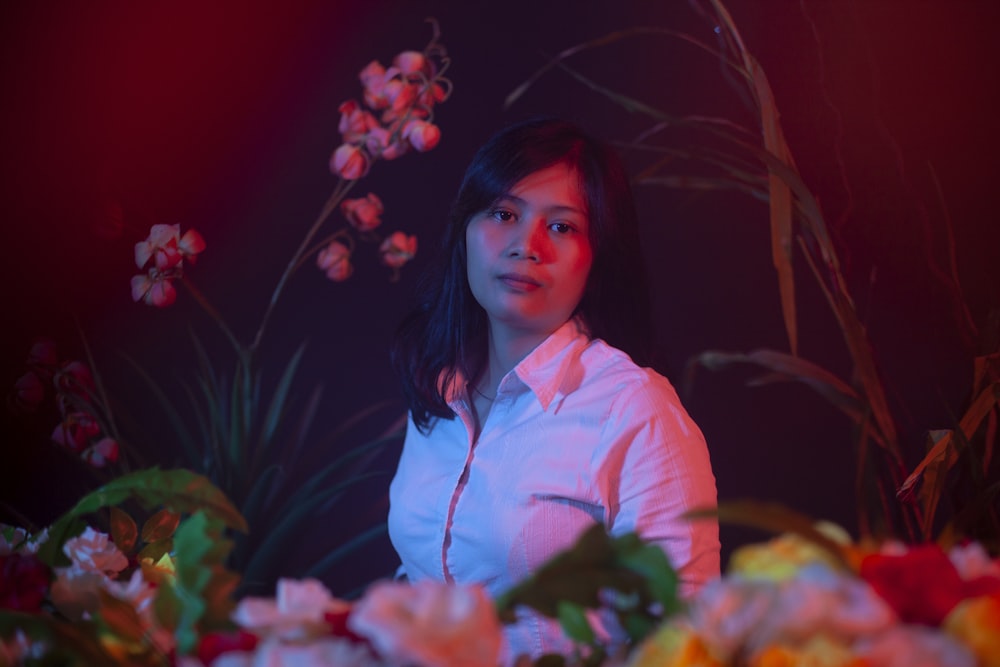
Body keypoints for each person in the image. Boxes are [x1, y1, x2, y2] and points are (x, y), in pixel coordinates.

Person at [388, 117, 719, 662]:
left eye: (562, 227)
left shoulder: (634, 408)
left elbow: (684, 634)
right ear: (465, 230)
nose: (527, 245)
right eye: (503, 214)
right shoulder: (438, 388)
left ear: (598, 257)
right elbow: (418, 579)